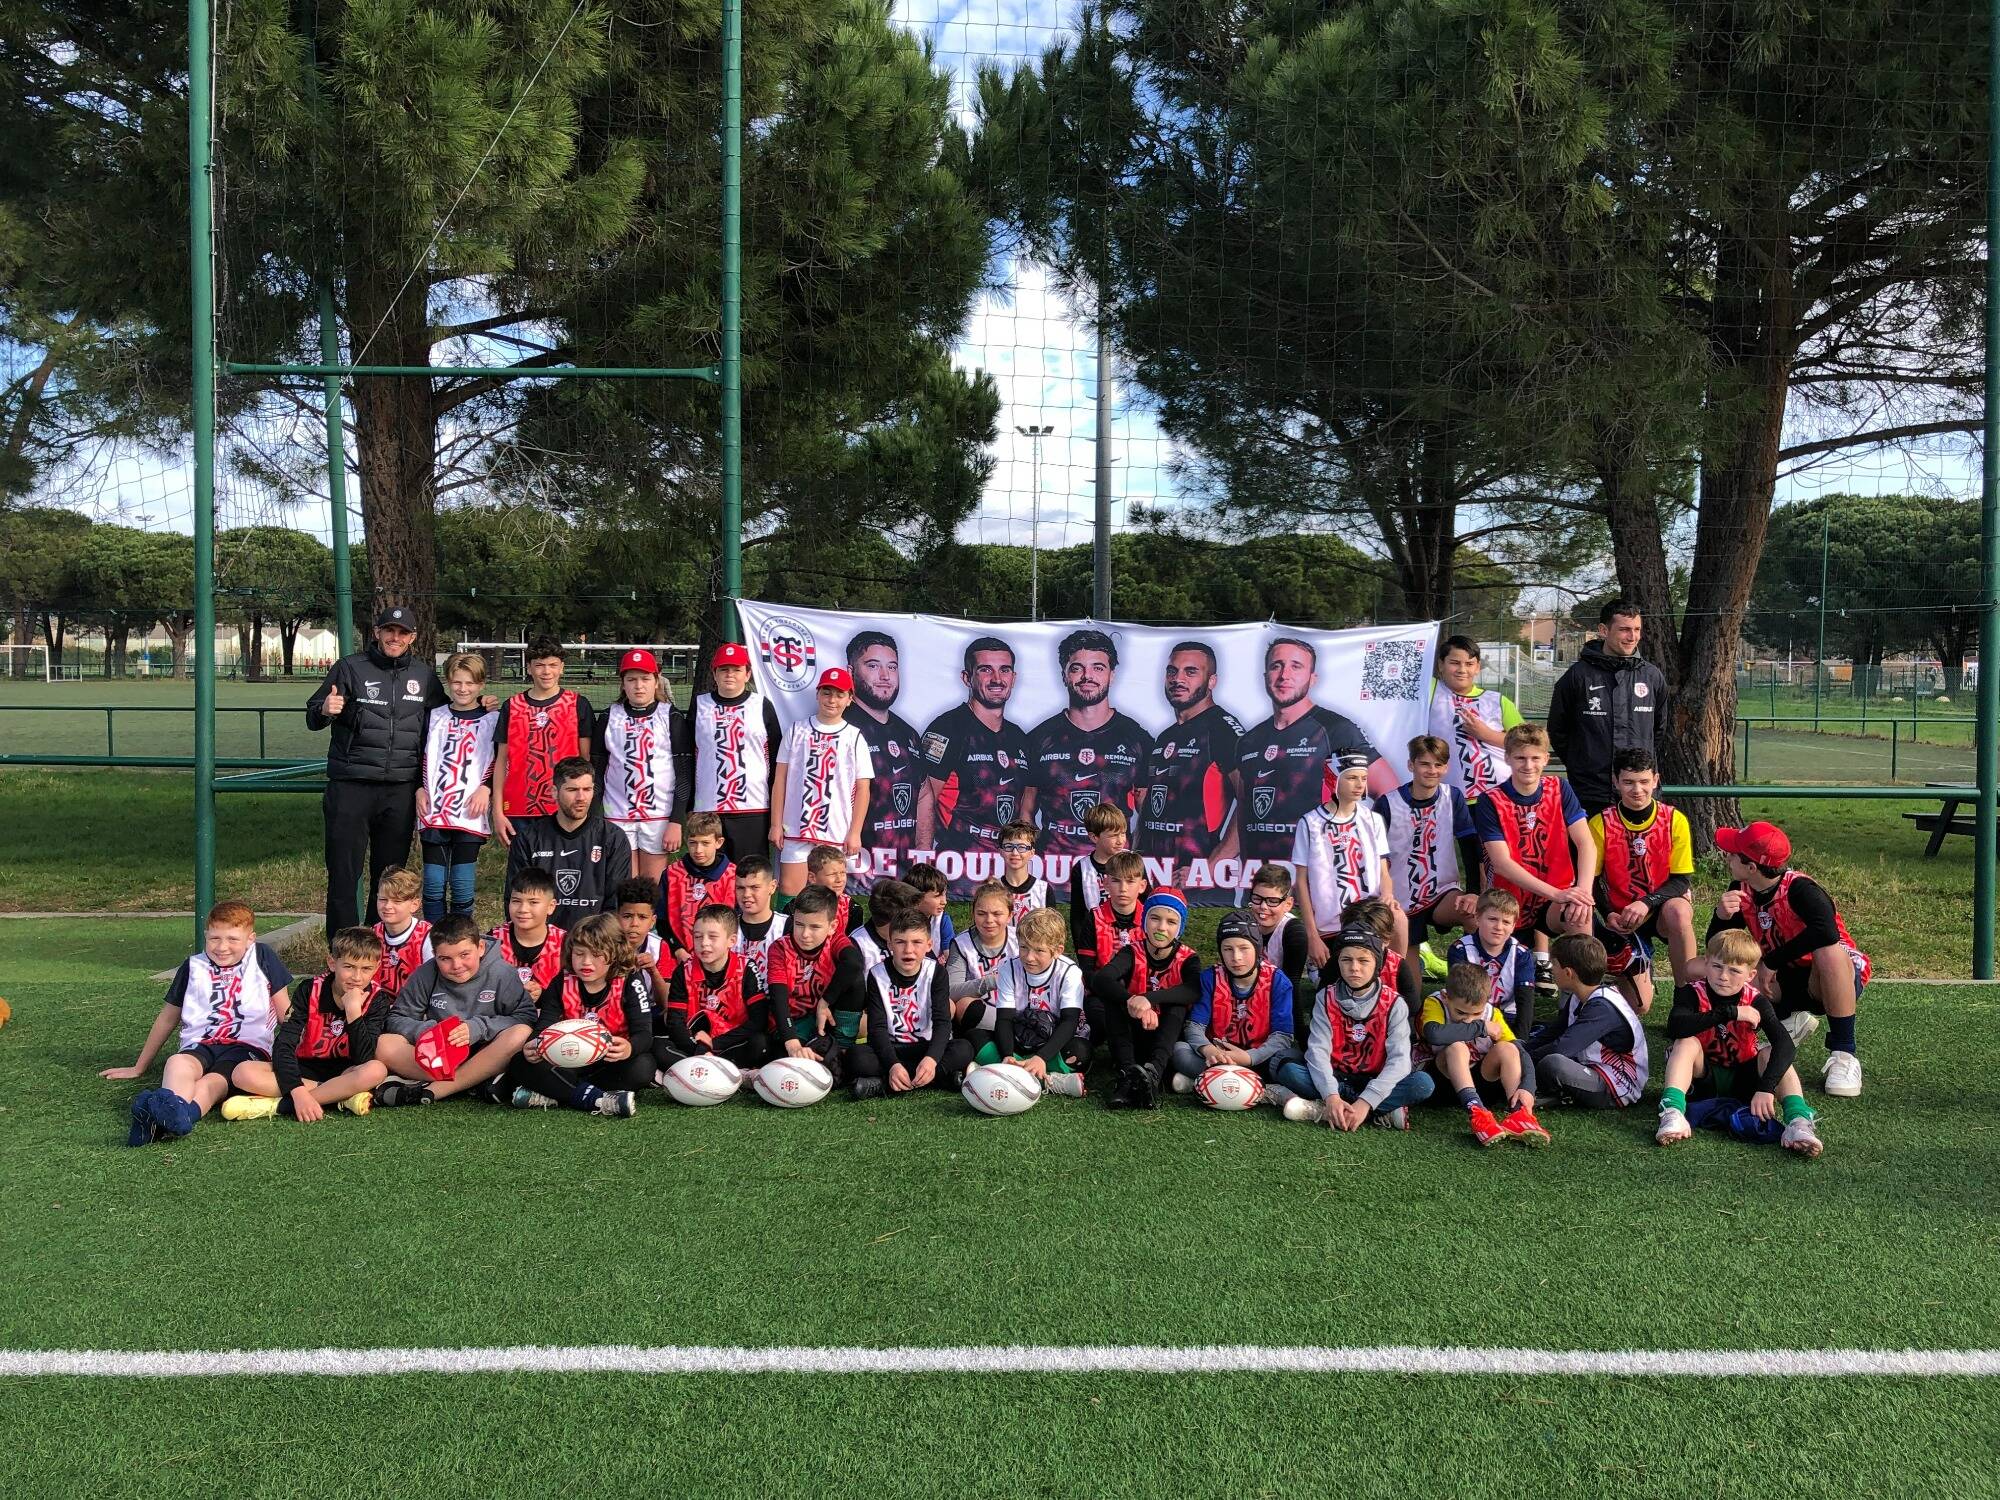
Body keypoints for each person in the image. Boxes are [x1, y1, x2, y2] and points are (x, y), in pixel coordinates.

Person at [307, 605, 449, 939]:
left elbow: (449, 716)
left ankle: (379, 944)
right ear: (377, 632)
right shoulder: (349, 668)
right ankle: (342, 947)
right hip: (351, 786)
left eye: (402, 633)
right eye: (389, 631)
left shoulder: (424, 676)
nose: (394, 638)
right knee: (344, 873)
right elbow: (313, 716)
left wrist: (480, 706)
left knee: (389, 875)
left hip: (399, 790)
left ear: (412, 638)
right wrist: (325, 710)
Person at [105, 900, 294, 1145]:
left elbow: (285, 1014)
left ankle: (165, 1120)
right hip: (201, 1043)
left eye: (233, 939)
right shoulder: (193, 966)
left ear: (250, 939)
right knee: (177, 1063)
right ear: (205, 935)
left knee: (212, 1083)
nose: (222, 947)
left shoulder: (262, 957)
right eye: (214, 938)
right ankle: (172, 1114)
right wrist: (139, 1066)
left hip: (246, 1047)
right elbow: (167, 1017)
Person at [1706, 820, 1869, 1098]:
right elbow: (1718, 948)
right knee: (1707, 967)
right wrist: (1720, 918)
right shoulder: (1742, 887)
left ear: (1752, 867)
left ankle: (1844, 1054)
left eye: (1733, 853)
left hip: (1830, 976)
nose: (1728, 856)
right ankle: (1788, 1020)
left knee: (1829, 951)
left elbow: (1826, 932)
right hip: (1785, 977)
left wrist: (1771, 961)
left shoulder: (1801, 889)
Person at [1217, 636, 1386, 869]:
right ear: (1266, 677)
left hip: (1321, 876)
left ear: (1312, 678)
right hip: (1262, 884)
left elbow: (1389, 794)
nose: (1284, 675)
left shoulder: (1335, 730)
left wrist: (1372, 854)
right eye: (1276, 666)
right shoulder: (1249, 741)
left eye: (1296, 666)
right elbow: (1245, 811)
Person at [1655, 929, 1822, 1156]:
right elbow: (1675, 1027)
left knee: (1768, 1052)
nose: (1723, 976)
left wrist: (1766, 1088)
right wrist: (1731, 1013)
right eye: (1716, 966)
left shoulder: (1757, 1000)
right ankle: (1672, 1111)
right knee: (1685, 1043)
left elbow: (1785, 1045)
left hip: (1745, 1082)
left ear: (1750, 975)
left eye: (1734, 970)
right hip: (1703, 1079)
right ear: (1706, 964)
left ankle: (1798, 1122)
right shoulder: (1691, 992)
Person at [223, 926, 391, 1122]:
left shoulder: (378, 999)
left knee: (376, 1070)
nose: (357, 977)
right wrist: (297, 1089)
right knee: (242, 1072)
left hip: (347, 1071)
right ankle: (339, 1097)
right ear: (332, 963)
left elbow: (364, 1057)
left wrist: (353, 1012)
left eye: (366, 969)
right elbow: (284, 1044)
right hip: (304, 1069)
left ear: (377, 968)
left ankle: (282, 1106)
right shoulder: (309, 990)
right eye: (349, 967)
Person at [1275, 926, 1433, 1130]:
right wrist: (1331, 1095)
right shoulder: (1326, 997)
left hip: (1373, 1078)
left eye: (1363, 960)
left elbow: (1400, 1061)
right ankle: (1372, 1111)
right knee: (1287, 1069)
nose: (1354, 968)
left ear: (1377, 963)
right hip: (1336, 1077)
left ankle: (1326, 1111)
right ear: (1338, 962)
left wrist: (1365, 1102)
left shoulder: (1394, 1003)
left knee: (1422, 1083)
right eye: (1346, 960)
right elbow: (1318, 1051)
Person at [372, 913, 537, 1107]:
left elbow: (526, 1017)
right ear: (434, 955)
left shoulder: (503, 973)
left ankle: (435, 1090)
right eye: (445, 959)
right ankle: (475, 1082)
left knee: (521, 1033)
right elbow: (397, 1017)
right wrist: (430, 1031)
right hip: (439, 1056)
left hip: (486, 1052)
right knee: (383, 1043)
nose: (456, 965)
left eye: (464, 955)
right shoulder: (426, 973)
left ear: (481, 948)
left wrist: (477, 1028)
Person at [1020, 627, 1152, 865]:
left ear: (1112, 674)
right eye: (1076, 668)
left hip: (1115, 871)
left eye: (1097, 668)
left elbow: (1148, 814)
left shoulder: (1137, 738)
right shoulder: (1039, 738)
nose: (1087, 676)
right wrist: (1032, 864)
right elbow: (1026, 810)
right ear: (1064, 675)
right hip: (1053, 869)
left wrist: (1133, 862)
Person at [1588, 747, 1696, 1013]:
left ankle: (1688, 998)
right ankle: (1622, 974)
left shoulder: (1674, 820)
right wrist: (1609, 913)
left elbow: (1681, 880)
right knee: (1639, 1006)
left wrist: (1647, 903)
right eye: (1628, 782)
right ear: (1616, 782)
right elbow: (1591, 879)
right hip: (1623, 919)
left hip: (1659, 912)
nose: (1637, 789)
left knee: (1680, 910)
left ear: (1655, 780)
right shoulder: (1601, 823)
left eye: (1644, 781)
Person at [507, 913, 649, 1116]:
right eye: (579, 953)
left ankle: (557, 1092)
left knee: (643, 1067)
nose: (586, 962)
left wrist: (629, 1048)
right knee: (520, 1062)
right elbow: (543, 1025)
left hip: (607, 1063)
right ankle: (599, 1100)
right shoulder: (561, 982)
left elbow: (644, 1033)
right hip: (567, 1060)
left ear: (616, 953)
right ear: (569, 952)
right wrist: (534, 1045)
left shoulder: (630, 981)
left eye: (597, 954)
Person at [1470, 725, 1596, 949]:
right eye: (1520, 758)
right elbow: (1502, 864)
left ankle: (1582, 981)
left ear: (1546, 759)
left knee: (1580, 914)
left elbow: (1586, 843)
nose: (1528, 765)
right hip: (1508, 899)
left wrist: (1582, 894)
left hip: (1556, 894)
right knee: (1509, 973)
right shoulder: (1490, 800)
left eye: (1535, 758)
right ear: (1507, 758)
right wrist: (1557, 894)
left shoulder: (1559, 788)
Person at [1546, 599, 1667, 817]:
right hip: (1591, 793)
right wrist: (1584, 764)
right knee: (1590, 851)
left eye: (1637, 630)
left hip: (1638, 795)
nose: (1632, 637)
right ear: (1603, 630)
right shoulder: (1577, 676)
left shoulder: (1652, 676)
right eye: (1624, 630)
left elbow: (1658, 730)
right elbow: (1558, 731)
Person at [914, 636, 1031, 862]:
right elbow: (923, 799)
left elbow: (1025, 808)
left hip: (1008, 863)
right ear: (967, 678)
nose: (997, 679)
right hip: (958, 864)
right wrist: (922, 859)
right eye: (986, 670)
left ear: (1014, 678)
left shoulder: (1019, 737)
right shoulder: (946, 728)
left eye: (1004, 670)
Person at [1135, 640, 1243, 874]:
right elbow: (1149, 808)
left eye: (1190, 671)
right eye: (1172, 671)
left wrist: (1211, 867)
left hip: (1194, 877)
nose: (1178, 679)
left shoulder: (1223, 729)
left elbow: (1250, 802)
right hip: (1152, 873)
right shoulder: (1165, 737)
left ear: (1212, 681)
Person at [1171, 910, 1299, 1107]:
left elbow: (1282, 1036)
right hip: (1218, 1057)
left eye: (1243, 948)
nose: (1236, 957)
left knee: (1286, 1062)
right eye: (1228, 949)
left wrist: (1249, 1057)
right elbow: (1194, 1026)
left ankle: (1207, 1083)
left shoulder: (1277, 981)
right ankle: (1263, 1091)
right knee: (1180, 1050)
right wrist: (1208, 1049)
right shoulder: (1210, 978)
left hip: (1260, 1057)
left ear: (1257, 948)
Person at [1091, 887, 1203, 1109]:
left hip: (1166, 1043)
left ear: (1179, 928)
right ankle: (1127, 1074)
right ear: (1144, 920)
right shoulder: (1131, 951)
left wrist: (1150, 999)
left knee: (1177, 1005)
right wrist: (1132, 1001)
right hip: (1133, 1036)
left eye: (1171, 922)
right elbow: (1101, 979)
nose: (1161, 927)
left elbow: (1194, 990)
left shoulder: (1188, 958)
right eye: (1155, 918)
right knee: (1113, 1000)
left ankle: (1153, 1075)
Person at [1416, 962, 1548, 1147]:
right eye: (1460, 1012)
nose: (1468, 1019)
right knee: (1457, 1047)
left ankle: (1519, 1112)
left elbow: (1519, 1049)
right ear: (1446, 997)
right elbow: (1434, 1034)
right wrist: (1480, 1027)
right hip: (1441, 1081)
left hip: (1481, 1080)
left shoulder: (1491, 1013)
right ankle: (1476, 1111)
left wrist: (1528, 1087)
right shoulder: (1436, 1002)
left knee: (1508, 1048)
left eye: (1476, 1013)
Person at [1292, 752, 1403, 969]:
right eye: (1352, 778)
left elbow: (1384, 873)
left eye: (1363, 778)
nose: (1360, 784)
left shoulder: (1373, 820)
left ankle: (1398, 985)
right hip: (1329, 924)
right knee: (1335, 983)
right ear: (1334, 778)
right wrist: (1312, 936)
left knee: (1400, 920)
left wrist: (1388, 893)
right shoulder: (1310, 823)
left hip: (1369, 920)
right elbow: (1301, 884)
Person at [769, 667, 874, 895]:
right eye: (827, 693)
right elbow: (780, 780)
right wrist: (776, 824)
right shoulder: (796, 730)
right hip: (796, 827)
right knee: (790, 890)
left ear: (849, 699)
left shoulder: (854, 737)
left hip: (835, 831)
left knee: (828, 893)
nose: (832, 700)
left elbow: (863, 789)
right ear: (817, 694)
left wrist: (855, 832)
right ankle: (788, 930)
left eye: (839, 694)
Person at [593, 648, 693, 885]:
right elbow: (596, 771)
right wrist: (594, 819)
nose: (639, 685)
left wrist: (676, 821)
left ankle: (653, 924)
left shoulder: (671, 716)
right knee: (623, 885)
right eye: (632, 679)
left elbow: (684, 773)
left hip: (658, 816)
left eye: (645, 679)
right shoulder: (609, 716)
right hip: (617, 814)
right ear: (623, 683)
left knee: (652, 886)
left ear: (656, 681)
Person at [847, 908, 969, 1100]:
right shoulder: (877, 974)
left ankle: (882, 1084)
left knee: (963, 1049)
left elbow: (943, 1022)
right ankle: (942, 1079)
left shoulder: (936, 972)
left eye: (917, 942)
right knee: (857, 1057)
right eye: (900, 942)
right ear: (890, 944)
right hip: (893, 1047)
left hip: (926, 1047)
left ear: (929, 944)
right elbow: (876, 1028)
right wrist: (893, 1065)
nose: (908, 950)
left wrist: (931, 1060)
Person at [1374, 736, 1481, 954]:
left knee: (1473, 912)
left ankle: (1470, 979)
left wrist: (1473, 891)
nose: (1432, 770)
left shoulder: (1453, 797)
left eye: (1438, 764)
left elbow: (1469, 844)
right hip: (1401, 897)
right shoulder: (1387, 803)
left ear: (1446, 767)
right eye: (1424, 764)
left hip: (1442, 891)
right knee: (1409, 980)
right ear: (1411, 765)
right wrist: (1384, 894)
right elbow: (1376, 856)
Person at [415, 650, 499, 920]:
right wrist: (419, 787)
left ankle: (462, 942)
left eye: (470, 683)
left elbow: (501, 759)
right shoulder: (434, 716)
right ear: (448, 682)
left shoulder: (492, 719)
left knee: (462, 885)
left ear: (481, 685)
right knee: (433, 884)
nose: (463, 689)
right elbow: (418, 754)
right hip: (435, 811)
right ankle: (433, 942)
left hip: (469, 814)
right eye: (457, 682)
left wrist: (486, 788)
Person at [503, 757, 631, 929]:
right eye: (572, 789)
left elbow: (616, 904)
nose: (581, 797)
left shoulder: (613, 838)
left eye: (587, 789)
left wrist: (595, 944)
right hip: (542, 942)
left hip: (594, 943)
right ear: (554, 792)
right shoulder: (529, 839)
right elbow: (516, 900)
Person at [491, 635, 595, 847]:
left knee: (563, 871)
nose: (546, 672)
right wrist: (497, 810)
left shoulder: (578, 704)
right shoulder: (512, 706)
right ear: (529, 667)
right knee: (525, 876)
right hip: (519, 807)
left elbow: (586, 762)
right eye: (539, 665)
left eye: (552, 665)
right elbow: (501, 761)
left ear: (562, 667)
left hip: (563, 808)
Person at [1527, 933, 1649, 1110]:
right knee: (1521, 1046)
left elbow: (1563, 1047)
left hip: (1616, 1084)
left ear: (1568, 973)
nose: (1552, 970)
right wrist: (1521, 1049)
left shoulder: (1602, 1008)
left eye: (1554, 965)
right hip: (1591, 1067)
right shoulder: (1580, 996)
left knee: (1553, 1063)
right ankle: (1555, 1092)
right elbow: (1553, 1032)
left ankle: (1556, 1093)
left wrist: (1524, 1060)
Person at [977, 908, 1089, 1096]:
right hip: (1021, 1037)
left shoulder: (1070, 973)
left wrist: (1041, 1057)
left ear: (1057, 951)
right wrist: (1007, 1055)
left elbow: (1070, 1022)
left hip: (1054, 1041)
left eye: (1039, 950)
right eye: (1024, 947)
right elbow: (1004, 1019)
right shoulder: (1008, 969)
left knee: (1081, 1052)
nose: (1029, 957)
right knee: (975, 1037)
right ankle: (1045, 1079)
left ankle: (1013, 1073)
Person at [692, 642, 783, 862]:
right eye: (723, 669)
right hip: (709, 809)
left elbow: (777, 759)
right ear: (714, 673)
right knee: (710, 878)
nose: (729, 674)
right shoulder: (700, 705)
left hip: (752, 808)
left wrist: (775, 814)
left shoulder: (761, 705)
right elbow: (689, 754)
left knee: (749, 876)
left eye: (736, 669)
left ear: (747, 673)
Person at [656, 904, 773, 1073]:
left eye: (712, 937)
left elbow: (758, 1021)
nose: (704, 943)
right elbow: (675, 1022)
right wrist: (699, 1048)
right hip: (693, 1043)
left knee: (760, 1044)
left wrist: (713, 1044)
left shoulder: (747, 968)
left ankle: (697, 1069)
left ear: (731, 941)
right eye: (697, 936)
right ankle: (724, 1070)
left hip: (731, 1043)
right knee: (659, 1047)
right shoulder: (683, 970)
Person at [843, 630, 923, 866]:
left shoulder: (908, 732)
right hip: (853, 863)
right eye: (873, 666)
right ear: (851, 672)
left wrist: (922, 852)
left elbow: (924, 792)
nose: (885, 676)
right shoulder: (840, 726)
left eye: (892, 667)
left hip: (902, 866)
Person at [764, 884, 866, 1068]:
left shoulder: (835, 940)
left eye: (815, 927)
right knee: (783, 1057)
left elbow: (854, 964)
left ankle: (843, 1045)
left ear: (832, 926)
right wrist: (792, 1042)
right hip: (793, 1022)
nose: (805, 934)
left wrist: (825, 1001)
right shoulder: (779, 948)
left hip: (825, 1017)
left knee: (855, 980)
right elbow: (777, 999)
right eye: (799, 924)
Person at [1426, 635, 1522, 799]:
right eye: (1454, 663)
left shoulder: (1498, 701)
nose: (1462, 670)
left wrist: (1486, 734)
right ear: (1441, 665)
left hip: (1499, 796)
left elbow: (1526, 744)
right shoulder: (1429, 691)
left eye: (1469, 664)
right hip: (1449, 797)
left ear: (1478, 667)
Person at [1445, 890, 1541, 1031]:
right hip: (1469, 1016)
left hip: (1508, 1018)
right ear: (1477, 918)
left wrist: (1521, 1042)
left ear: (1514, 926)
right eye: (1492, 919)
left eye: (1506, 922)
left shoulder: (1521, 954)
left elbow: (1525, 1001)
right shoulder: (1460, 949)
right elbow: (1459, 993)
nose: (1499, 927)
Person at [658, 812, 735, 963]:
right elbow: (661, 920)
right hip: (680, 957)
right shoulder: (671, 874)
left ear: (719, 842)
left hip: (723, 958)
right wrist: (677, 949)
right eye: (693, 843)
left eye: (705, 843)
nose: (698, 850)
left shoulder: (732, 875)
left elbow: (738, 920)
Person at [945, 881, 1019, 1039]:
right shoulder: (961, 944)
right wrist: (990, 982)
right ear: (973, 914)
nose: (989, 920)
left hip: (1017, 1010)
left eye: (997, 914)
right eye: (981, 913)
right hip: (983, 1017)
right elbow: (950, 990)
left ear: (1010, 915)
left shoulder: (1021, 940)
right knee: (964, 1005)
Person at [1073, 848, 1148, 986]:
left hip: (1142, 994)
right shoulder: (1094, 918)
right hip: (1102, 993)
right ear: (1105, 883)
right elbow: (1087, 969)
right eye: (1116, 881)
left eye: (1130, 881)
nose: (1123, 888)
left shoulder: (1150, 920)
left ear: (1142, 886)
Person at [490, 868, 567, 1002]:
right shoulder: (494, 939)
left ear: (551, 906)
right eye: (516, 901)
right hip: (500, 1015)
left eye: (533, 902)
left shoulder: (565, 943)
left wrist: (543, 995)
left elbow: (575, 989)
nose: (523, 909)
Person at [1246, 863, 1310, 994]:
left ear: (1288, 904)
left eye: (1272, 901)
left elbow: (1291, 984)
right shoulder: (1243, 924)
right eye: (1257, 898)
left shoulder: (1294, 931)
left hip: (1277, 994)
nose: (1263, 906)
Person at [371, 866, 433, 997]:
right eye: (383, 899)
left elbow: (435, 983)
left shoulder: (427, 937)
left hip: (415, 1009)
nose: (387, 906)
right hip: (379, 1007)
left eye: (397, 901)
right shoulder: (373, 934)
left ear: (414, 905)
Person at [731, 855, 788, 981]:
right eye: (740, 888)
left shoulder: (787, 926)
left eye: (754, 887)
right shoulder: (727, 927)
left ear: (772, 887)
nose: (746, 895)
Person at [1069, 802, 1130, 913]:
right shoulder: (1081, 869)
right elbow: (1078, 914)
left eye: (1123, 833)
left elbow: (1146, 902)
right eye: (1113, 835)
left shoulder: (1133, 861)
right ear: (1094, 837)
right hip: (1095, 928)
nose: (1120, 841)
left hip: (1130, 929)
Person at [804, 843, 865, 934]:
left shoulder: (853, 909)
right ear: (812, 878)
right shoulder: (797, 906)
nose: (839, 880)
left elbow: (853, 944)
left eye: (843, 873)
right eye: (832, 874)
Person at [613, 877, 669, 973]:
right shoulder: (605, 943)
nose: (634, 924)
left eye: (642, 917)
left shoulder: (659, 946)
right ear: (617, 917)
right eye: (627, 916)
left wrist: (653, 971)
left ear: (653, 921)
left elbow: (666, 988)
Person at [995, 820, 1049, 921]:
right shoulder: (992, 889)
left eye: (1022, 847)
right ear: (1001, 852)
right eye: (1009, 847)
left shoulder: (1043, 890)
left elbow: (1052, 932)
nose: (1015, 853)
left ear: (1032, 853)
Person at [904, 862, 955, 953]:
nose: (944, 902)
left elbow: (950, 957)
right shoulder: (897, 920)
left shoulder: (942, 920)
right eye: (937, 896)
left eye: (944, 895)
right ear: (917, 897)